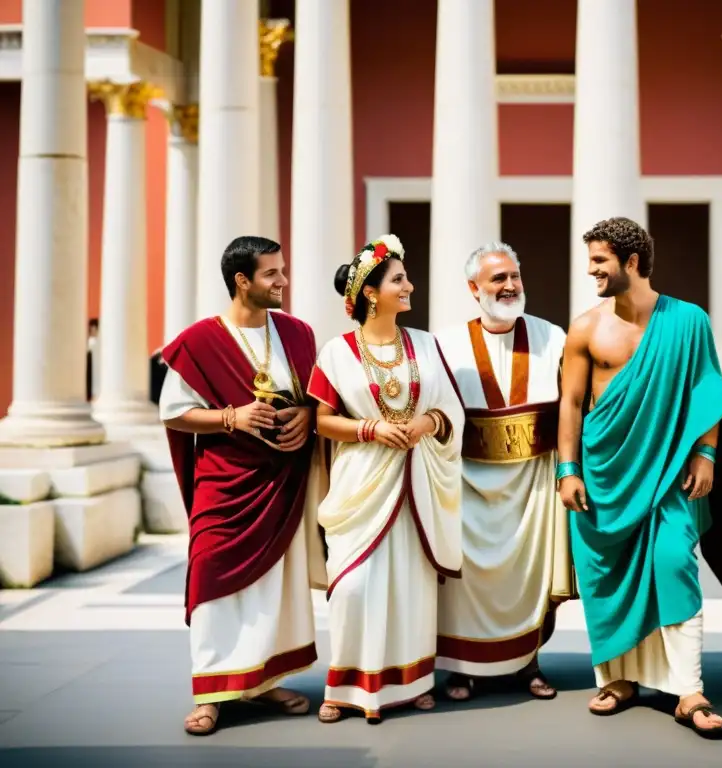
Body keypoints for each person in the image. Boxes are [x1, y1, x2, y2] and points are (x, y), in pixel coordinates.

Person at [557, 217, 722, 738]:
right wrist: (567, 470)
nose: (591, 271)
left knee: (675, 561)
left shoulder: (689, 321)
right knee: (607, 577)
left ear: (631, 262)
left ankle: (689, 689)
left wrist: (705, 454)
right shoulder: (586, 327)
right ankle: (618, 680)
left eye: (599, 261)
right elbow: (570, 402)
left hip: (666, 472)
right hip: (605, 473)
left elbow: (707, 391)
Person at [160, 235, 328, 736]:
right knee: (211, 574)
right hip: (226, 481)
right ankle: (210, 691)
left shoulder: (297, 334)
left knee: (276, 584)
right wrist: (231, 417)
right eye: (272, 273)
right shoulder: (200, 340)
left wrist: (307, 416)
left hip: (283, 480)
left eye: (283, 270)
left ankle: (264, 680)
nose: (283, 281)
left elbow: (317, 398)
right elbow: (175, 412)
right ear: (242, 281)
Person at [307, 234, 465, 724]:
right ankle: (345, 685)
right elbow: (321, 421)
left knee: (410, 585)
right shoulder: (337, 352)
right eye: (399, 279)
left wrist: (426, 423)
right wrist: (369, 428)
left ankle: (412, 680)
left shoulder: (424, 344)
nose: (409, 285)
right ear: (371, 292)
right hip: (361, 485)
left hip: (417, 481)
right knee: (355, 586)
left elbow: (451, 408)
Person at [434, 242, 575, 702]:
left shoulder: (553, 336)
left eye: (514, 276)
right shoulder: (446, 344)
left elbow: (576, 404)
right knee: (466, 583)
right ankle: (461, 668)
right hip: (467, 481)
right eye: (498, 279)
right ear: (474, 288)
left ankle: (527, 662)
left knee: (528, 577)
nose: (510, 285)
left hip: (532, 481)